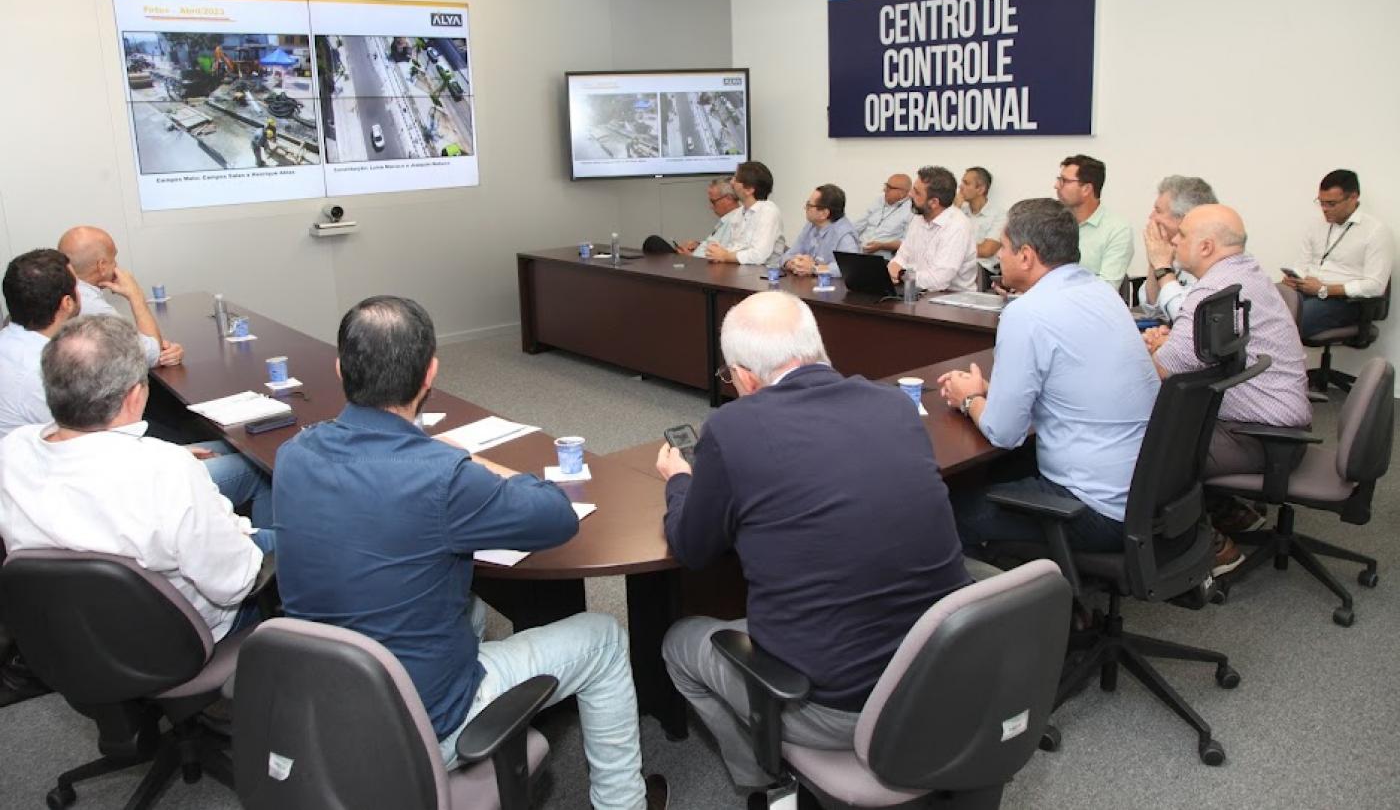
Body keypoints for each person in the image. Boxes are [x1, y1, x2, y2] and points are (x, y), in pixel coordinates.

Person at [272, 296, 666, 810]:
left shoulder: (294, 454)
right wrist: (476, 464)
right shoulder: (442, 475)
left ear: (341, 369)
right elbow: (557, 516)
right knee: (606, 638)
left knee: (472, 607)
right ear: (431, 371)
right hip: (421, 718)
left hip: (322, 703)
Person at [657, 291, 969, 799]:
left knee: (680, 643)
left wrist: (679, 480)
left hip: (837, 706)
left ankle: (765, 781)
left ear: (746, 377)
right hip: (940, 672)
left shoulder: (732, 428)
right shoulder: (895, 404)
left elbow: (692, 548)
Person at [0, 315, 266, 640]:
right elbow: (235, 581)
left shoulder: (12, 449)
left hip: (72, 633)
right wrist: (238, 529)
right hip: (181, 636)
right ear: (134, 396)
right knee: (294, 540)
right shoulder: (164, 472)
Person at [938, 199, 1160, 553]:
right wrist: (990, 390)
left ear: (1026, 256)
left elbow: (1004, 432)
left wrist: (969, 398)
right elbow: (1068, 387)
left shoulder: (1027, 313)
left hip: (1092, 508)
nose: (1000, 257)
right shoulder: (1101, 292)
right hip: (1142, 495)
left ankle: (1000, 603)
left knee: (944, 511)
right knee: (999, 473)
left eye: (1005, 248)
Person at [1145, 205, 1312, 575]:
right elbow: (1189, 353)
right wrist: (1167, 345)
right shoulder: (1243, 273)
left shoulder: (1214, 290)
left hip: (1260, 436)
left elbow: (1165, 370)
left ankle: (1210, 545)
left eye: (1182, 235)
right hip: (1270, 425)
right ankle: (1228, 509)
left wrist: (1153, 349)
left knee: (1146, 450)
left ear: (1205, 247)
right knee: (1174, 424)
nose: (1174, 240)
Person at [1286, 169, 1394, 339]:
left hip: (1346, 301)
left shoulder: (1376, 231)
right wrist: (1294, 278)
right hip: (1307, 293)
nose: (1325, 209)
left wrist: (1325, 289)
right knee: (1263, 309)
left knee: (1290, 321)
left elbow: (1375, 286)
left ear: (1353, 197)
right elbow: (1302, 265)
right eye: (1321, 203)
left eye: (1331, 204)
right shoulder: (1315, 226)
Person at [57, 226, 183, 368]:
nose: (116, 265)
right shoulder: (91, 306)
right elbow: (151, 354)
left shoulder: (59, 290)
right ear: (102, 266)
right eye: (113, 258)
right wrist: (136, 295)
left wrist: (157, 346)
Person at [0, 250, 80, 437]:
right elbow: (80, 438)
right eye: (77, 287)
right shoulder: (43, 371)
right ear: (67, 303)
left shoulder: (8, 341)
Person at [887, 165, 978, 293]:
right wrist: (893, 268)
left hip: (952, 300)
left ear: (934, 202)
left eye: (917, 192)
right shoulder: (919, 217)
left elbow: (938, 280)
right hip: (918, 292)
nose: (910, 194)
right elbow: (902, 257)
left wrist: (901, 274)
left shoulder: (957, 226)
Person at [1141, 175, 1218, 322]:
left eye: (1158, 211)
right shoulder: (1176, 250)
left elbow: (1189, 319)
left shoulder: (1212, 255)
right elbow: (1152, 309)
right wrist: (1155, 260)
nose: (1151, 217)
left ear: (1184, 218)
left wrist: (1162, 266)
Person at [1053, 154, 1133, 287]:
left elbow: (1107, 288)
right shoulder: (1050, 221)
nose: (1056, 186)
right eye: (1058, 179)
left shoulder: (1117, 230)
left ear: (1086, 189)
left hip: (1087, 304)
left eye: (1064, 181)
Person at [705, 161, 787, 267]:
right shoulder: (739, 213)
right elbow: (736, 247)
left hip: (763, 278)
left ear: (749, 190)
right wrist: (719, 251)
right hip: (739, 274)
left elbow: (758, 256)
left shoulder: (768, 212)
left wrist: (725, 256)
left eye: (735, 179)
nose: (731, 182)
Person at [781, 183, 860, 277]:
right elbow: (788, 254)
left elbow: (850, 268)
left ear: (824, 213)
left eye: (809, 205)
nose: (805, 208)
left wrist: (814, 268)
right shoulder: (810, 226)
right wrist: (794, 264)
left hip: (833, 289)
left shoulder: (844, 235)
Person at [956, 166, 1006, 279]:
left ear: (980, 189)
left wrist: (954, 247)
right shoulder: (959, 212)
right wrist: (955, 210)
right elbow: (942, 240)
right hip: (957, 266)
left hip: (981, 271)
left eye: (966, 183)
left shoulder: (999, 215)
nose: (960, 187)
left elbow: (986, 250)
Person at [676, 177, 742, 258]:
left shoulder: (734, 222)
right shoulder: (727, 219)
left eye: (713, 202)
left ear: (729, 198)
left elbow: (720, 255)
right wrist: (699, 245)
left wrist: (690, 256)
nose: (711, 206)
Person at [851, 173, 913, 259]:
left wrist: (882, 246)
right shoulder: (878, 201)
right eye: (886, 186)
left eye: (889, 188)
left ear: (902, 193)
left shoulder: (912, 211)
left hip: (883, 257)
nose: (884, 190)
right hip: (860, 251)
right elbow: (857, 226)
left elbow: (908, 243)